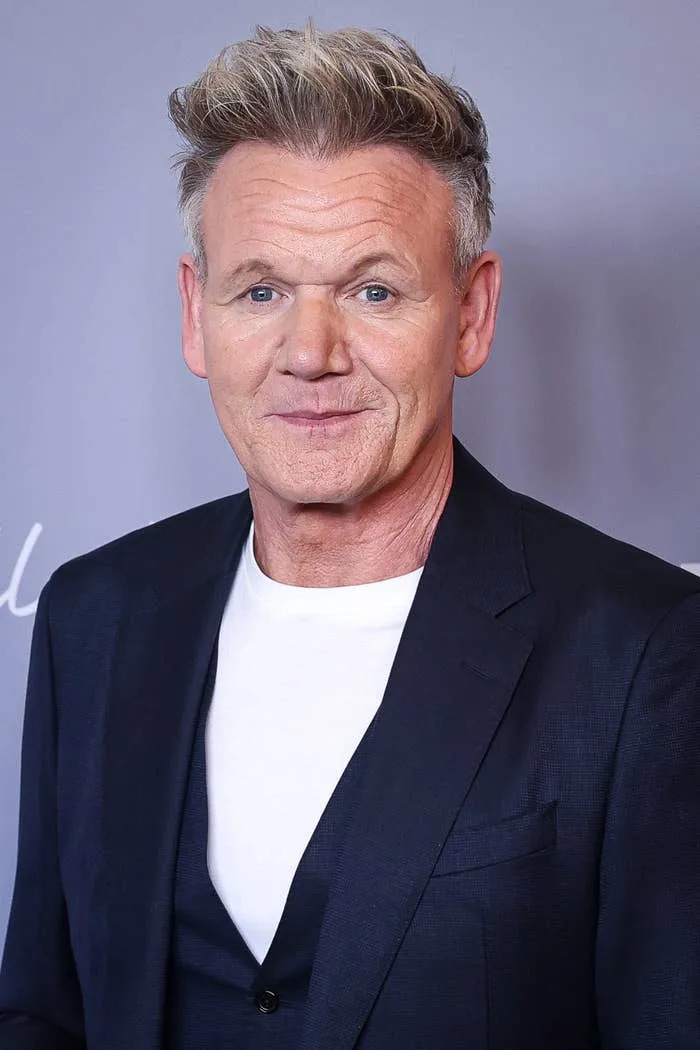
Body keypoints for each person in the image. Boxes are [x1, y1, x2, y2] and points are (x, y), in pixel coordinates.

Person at [1, 21, 699, 1050]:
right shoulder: (93, 615)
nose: (309, 353)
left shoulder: (640, 650)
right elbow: (41, 1010)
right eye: (261, 291)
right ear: (198, 318)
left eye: (372, 290)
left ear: (469, 316)